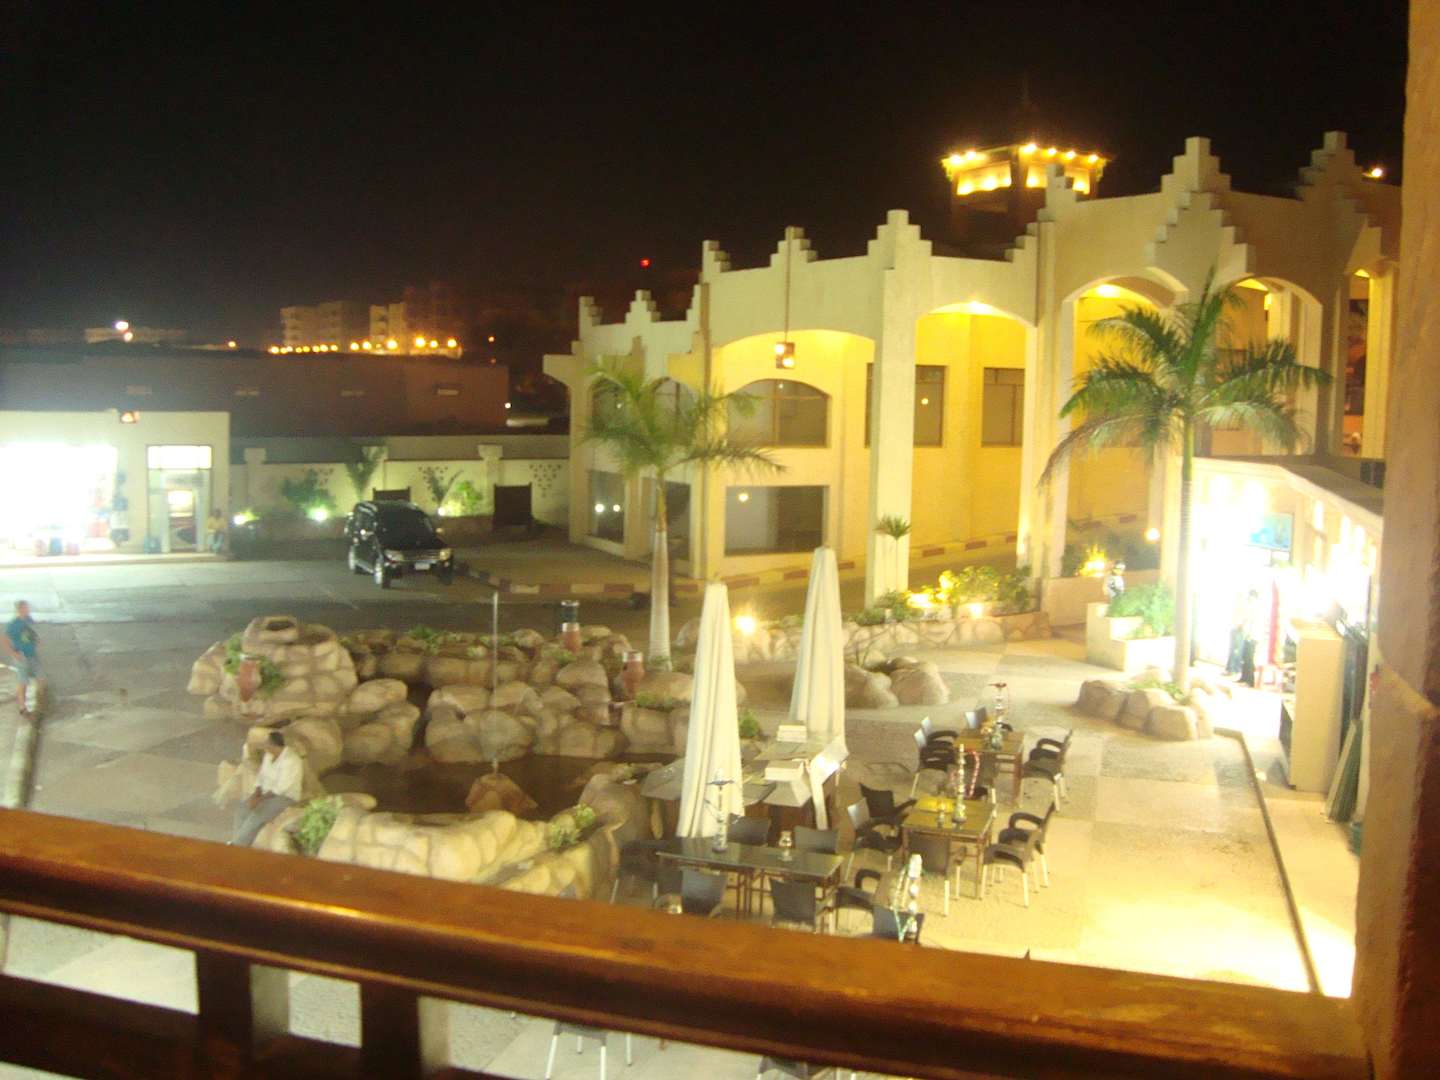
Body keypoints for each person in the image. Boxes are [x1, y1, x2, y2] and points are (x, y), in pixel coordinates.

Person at [231, 731, 303, 846]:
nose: (264, 745)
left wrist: (259, 800)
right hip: (265, 795)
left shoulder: (291, 760)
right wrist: (255, 795)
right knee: (242, 810)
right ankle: (239, 844)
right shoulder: (268, 756)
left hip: (285, 797)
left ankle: (236, 845)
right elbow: (261, 777)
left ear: (273, 745)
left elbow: (280, 789)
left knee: (257, 816)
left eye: (267, 743)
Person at [3, 600, 42, 717]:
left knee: (40, 679)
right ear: (19, 610)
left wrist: (36, 639)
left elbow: (31, 630)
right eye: (25, 608)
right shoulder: (13, 624)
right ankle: (22, 707)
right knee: (23, 682)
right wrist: (13, 653)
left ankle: (39, 704)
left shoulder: (28, 619)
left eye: (27, 608)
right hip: (22, 657)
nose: (28, 610)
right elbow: (4, 639)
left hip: (32, 654)